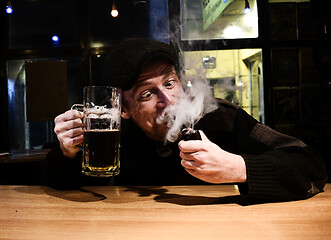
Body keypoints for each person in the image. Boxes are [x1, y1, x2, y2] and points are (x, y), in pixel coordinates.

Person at [43, 38, 327, 202]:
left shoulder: (220, 119)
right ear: (124, 110)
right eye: (146, 94)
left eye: (169, 83)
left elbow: (311, 165)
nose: (168, 101)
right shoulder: (113, 133)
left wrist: (239, 167)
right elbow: (53, 185)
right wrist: (67, 153)